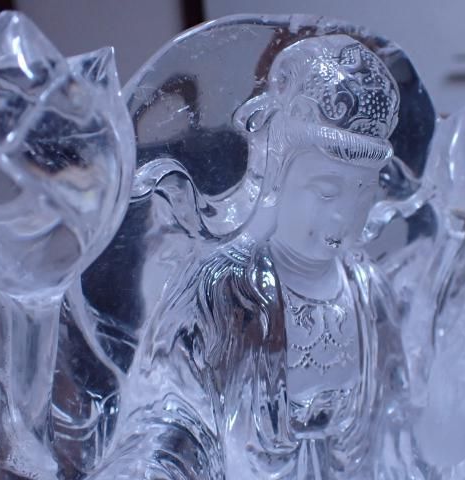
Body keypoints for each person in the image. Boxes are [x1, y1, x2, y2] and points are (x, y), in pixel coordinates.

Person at [109, 34, 416, 480]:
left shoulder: (367, 291)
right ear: (275, 176)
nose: (344, 215)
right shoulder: (226, 288)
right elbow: (173, 418)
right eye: (326, 191)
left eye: (363, 192)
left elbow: (398, 419)